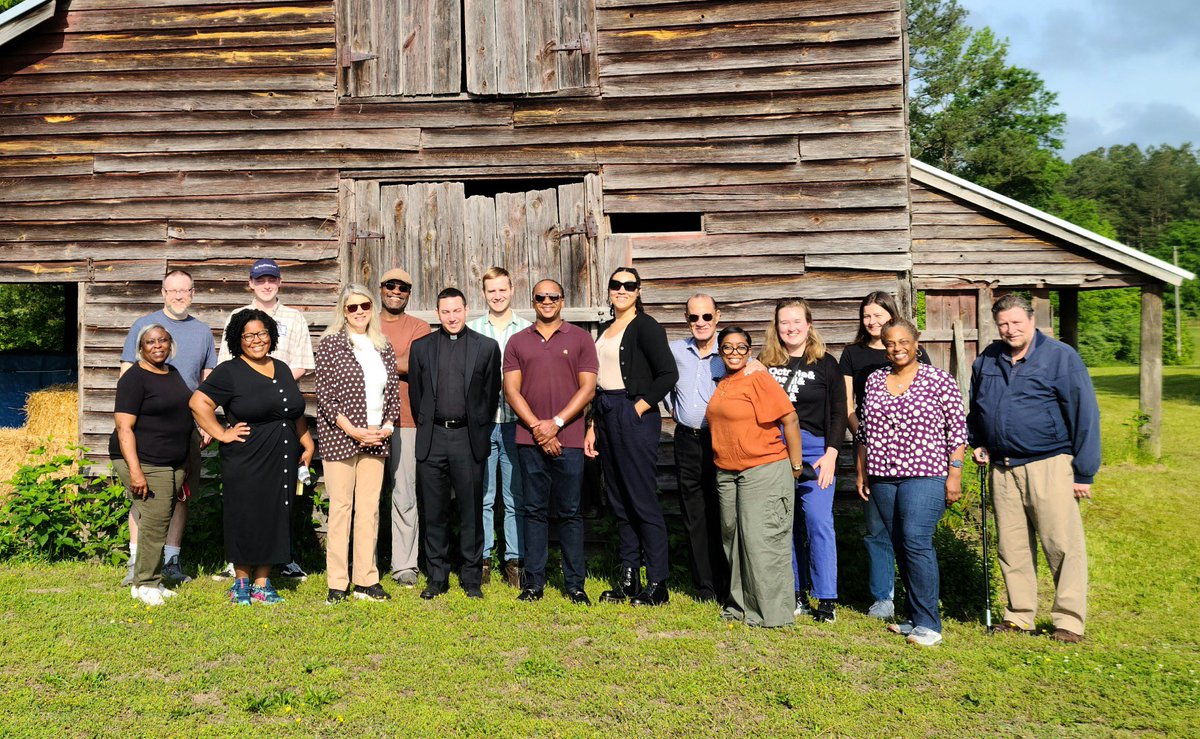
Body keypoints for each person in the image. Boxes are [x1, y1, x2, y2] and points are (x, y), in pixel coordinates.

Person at [968, 294, 1100, 643]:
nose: (1010, 330)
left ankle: (1068, 621)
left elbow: (1084, 415)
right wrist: (978, 441)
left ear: (1031, 319)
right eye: (1003, 325)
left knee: (1061, 544)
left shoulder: (1060, 358)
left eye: (1016, 323)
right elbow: (976, 409)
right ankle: (1019, 615)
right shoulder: (988, 360)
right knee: (1011, 547)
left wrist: (1084, 472)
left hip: (1049, 464)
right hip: (1003, 467)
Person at [191, 309, 315, 605]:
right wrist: (222, 433)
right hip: (247, 455)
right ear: (238, 339)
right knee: (245, 514)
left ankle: (262, 583)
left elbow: (292, 410)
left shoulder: (282, 368)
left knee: (275, 514)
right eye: (248, 335)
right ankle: (241, 582)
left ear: (271, 335)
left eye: (262, 333)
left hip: (282, 455)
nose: (256, 340)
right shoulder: (230, 371)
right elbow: (198, 402)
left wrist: (307, 443)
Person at [856, 319, 967, 647]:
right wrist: (862, 471)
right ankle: (913, 617)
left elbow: (957, 430)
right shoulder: (876, 380)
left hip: (925, 473)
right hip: (882, 476)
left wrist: (955, 474)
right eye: (890, 343)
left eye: (903, 341)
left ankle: (930, 624)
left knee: (916, 541)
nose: (897, 347)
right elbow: (865, 431)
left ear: (916, 342)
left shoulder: (938, 379)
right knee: (900, 544)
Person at [584, 268, 678, 606]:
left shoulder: (646, 326)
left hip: (631, 412)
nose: (621, 290)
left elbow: (669, 373)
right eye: (616, 285)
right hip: (606, 411)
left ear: (638, 291)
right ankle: (628, 575)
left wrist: (638, 407)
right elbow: (599, 380)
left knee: (641, 498)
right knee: (619, 499)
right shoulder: (608, 329)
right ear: (608, 290)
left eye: (629, 285)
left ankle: (657, 582)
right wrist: (593, 424)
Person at [216, 258, 315, 580]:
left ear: (280, 281)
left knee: (279, 502)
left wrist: (275, 383)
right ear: (251, 283)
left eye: (272, 279)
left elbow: (301, 362)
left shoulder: (294, 319)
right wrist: (254, 385)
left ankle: (278, 564)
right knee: (247, 503)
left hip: (283, 415)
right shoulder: (236, 318)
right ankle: (241, 569)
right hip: (250, 418)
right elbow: (223, 371)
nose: (267, 285)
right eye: (261, 280)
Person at [118, 269, 217, 586]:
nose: (178, 296)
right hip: (147, 426)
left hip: (185, 426)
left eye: (184, 290)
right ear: (162, 292)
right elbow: (125, 376)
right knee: (142, 494)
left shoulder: (202, 332)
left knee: (180, 494)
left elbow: (206, 382)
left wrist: (206, 421)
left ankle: (172, 560)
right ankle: (137, 561)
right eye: (172, 290)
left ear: (193, 292)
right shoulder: (143, 326)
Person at [503, 279, 597, 605]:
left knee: (570, 512)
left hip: (569, 439)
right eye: (540, 296)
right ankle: (534, 584)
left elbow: (588, 389)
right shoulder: (517, 341)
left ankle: (575, 585)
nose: (546, 301)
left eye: (552, 296)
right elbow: (511, 390)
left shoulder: (581, 338)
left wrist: (555, 424)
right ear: (533, 301)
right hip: (530, 440)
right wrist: (538, 428)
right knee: (534, 511)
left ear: (562, 300)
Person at [839, 291, 932, 621]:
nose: (872, 321)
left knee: (913, 531)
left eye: (878, 314)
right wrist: (863, 433)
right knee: (877, 529)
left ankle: (917, 596)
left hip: (915, 454)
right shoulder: (852, 354)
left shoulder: (914, 353)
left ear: (891, 314)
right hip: (870, 449)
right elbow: (849, 405)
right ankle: (883, 597)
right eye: (867, 316)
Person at [706, 327, 806, 628]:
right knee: (733, 539)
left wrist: (796, 465)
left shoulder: (759, 378)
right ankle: (740, 605)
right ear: (720, 352)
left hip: (762, 469)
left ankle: (773, 614)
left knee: (762, 541)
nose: (734, 353)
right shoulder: (724, 382)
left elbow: (790, 419)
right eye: (727, 348)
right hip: (727, 471)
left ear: (749, 350)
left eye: (740, 348)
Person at [409, 288, 501, 600]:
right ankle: (437, 577)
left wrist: (475, 425)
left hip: (467, 438)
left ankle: (471, 578)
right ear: (437, 313)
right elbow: (417, 395)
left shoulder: (486, 347)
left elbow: (489, 397)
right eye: (445, 312)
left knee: (471, 510)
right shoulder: (421, 348)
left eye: (457, 311)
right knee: (434, 511)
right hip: (433, 439)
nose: (451, 317)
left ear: (465, 310)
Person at [315, 284, 401, 605]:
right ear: (343, 311)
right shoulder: (330, 345)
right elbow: (324, 395)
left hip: (377, 437)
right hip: (342, 436)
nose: (360, 312)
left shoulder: (383, 345)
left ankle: (366, 580)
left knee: (368, 511)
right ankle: (337, 583)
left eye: (365, 306)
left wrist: (387, 426)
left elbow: (392, 393)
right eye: (352, 308)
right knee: (341, 509)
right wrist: (353, 430)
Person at [761, 299, 846, 623]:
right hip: (775, 449)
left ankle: (826, 599)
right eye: (784, 322)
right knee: (784, 524)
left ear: (809, 325)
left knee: (818, 521)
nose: (791, 328)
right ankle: (794, 592)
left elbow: (839, 411)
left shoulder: (826, 364)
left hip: (815, 451)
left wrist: (832, 454)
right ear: (776, 327)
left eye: (797, 321)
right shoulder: (765, 363)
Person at [111, 325, 195, 606]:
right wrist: (135, 471)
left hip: (172, 460)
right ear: (141, 347)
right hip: (145, 460)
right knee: (156, 521)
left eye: (162, 340)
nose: (157, 346)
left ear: (170, 344)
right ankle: (147, 583)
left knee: (160, 518)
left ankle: (143, 582)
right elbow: (124, 428)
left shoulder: (171, 373)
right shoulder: (134, 378)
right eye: (150, 342)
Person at [467, 267, 532, 588]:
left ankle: (515, 562)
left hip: (515, 424)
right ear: (484, 293)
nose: (497, 295)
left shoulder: (527, 330)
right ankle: (482, 560)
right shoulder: (472, 329)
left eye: (502, 290)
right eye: (491, 291)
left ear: (511, 290)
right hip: (481, 425)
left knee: (514, 495)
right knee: (483, 495)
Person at [663, 295, 730, 603]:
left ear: (717, 317)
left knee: (723, 510)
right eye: (694, 318)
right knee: (694, 513)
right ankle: (704, 585)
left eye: (706, 317)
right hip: (687, 439)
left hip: (720, 440)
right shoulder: (676, 351)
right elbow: (659, 382)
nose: (700, 323)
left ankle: (727, 580)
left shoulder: (728, 352)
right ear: (685, 319)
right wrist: (673, 409)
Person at [377, 267, 432, 588]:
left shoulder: (419, 326)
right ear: (381, 288)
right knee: (368, 497)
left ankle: (404, 566)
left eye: (403, 288)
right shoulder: (365, 318)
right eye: (390, 286)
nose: (396, 291)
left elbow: (418, 365)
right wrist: (395, 359)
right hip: (365, 422)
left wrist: (375, 356)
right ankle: (366, 563)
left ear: (409, 293)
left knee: (404, 495)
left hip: (407, 420)